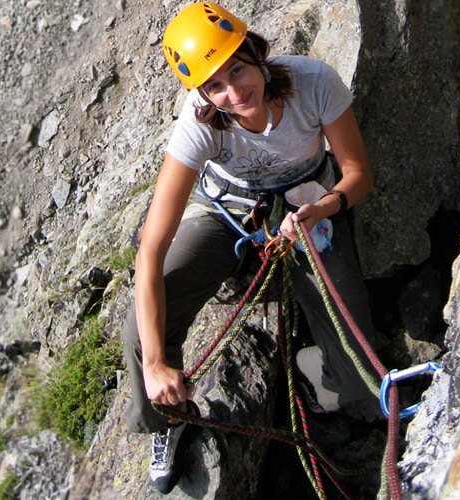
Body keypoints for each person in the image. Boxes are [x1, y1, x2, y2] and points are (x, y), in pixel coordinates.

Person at [122, 2, 378, 493]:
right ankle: (167, 421)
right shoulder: (200, 123)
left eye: (237, 70)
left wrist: (324, 209)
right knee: (140, 329)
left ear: (255, 51)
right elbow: (150, 250)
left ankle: (312, 371)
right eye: (214, 85)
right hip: (225, 210)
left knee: (361, 369)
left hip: (308, 203)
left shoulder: (313, 83)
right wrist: (155, 364)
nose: (234, 92)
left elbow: (358, 176)